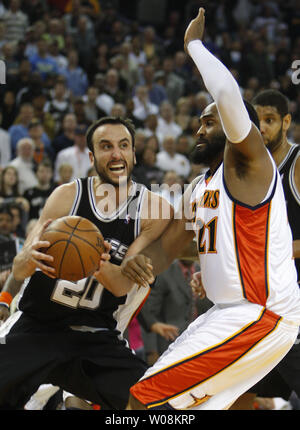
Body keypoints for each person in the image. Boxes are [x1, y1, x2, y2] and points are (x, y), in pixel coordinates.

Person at [121, 9, 300, 410]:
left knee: (145, 401)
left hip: (260, 315)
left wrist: (194, 46)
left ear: (241, 129)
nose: (199, 130)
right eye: (198, 123)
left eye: (208, 122)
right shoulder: (199, 188)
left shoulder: (250, 164)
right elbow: (168, 249)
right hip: (225, 314)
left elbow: (227, 95)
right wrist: (131, 265)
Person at [0, 116, 174, 410]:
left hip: (95, 334)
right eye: (106, 147)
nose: (116, 154)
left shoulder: (154, 209)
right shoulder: (66, 196)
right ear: (91, 156)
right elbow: (19, 267)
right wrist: (27, 262)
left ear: (133, 153)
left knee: (156, 408)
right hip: (37, 325)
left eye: (124, 146)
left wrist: (92, 258)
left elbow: (120, 285)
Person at [230, 89, 300, 410]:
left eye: (270, 120)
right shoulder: (247, 173)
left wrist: (271, 254)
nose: (262, 128)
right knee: (233, 391)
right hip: (258, 304)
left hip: (294, 304)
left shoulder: (296, 164)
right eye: (256, 122)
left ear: (286, 122)